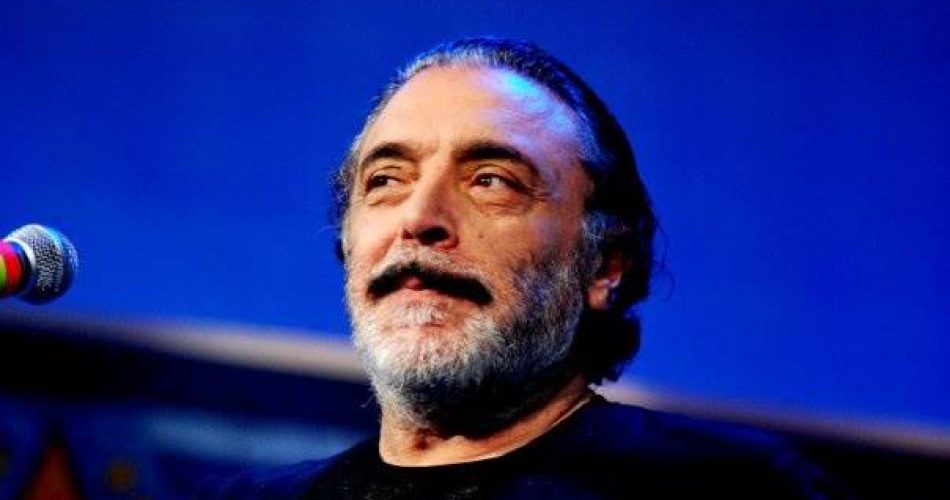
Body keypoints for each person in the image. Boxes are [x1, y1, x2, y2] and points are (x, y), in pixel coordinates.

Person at [207, 37, 844, 499]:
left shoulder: (731, 487)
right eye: (386, 180)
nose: (420, 217)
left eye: (491, 181)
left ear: (605, 266)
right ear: (348, 246)